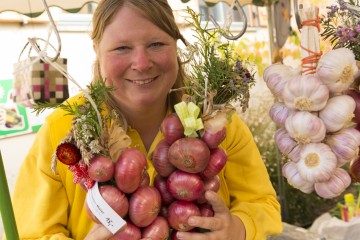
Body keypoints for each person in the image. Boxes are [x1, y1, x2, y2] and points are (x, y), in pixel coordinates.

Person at [7, 0, 283, 239]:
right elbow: (29, 232)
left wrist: (240, 229)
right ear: (97, 49)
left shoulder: (217, 122)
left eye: (156, 44)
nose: (141, 63)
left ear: (176, 45)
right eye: (122, 48)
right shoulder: (63, 131)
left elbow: (262, 203)